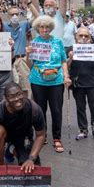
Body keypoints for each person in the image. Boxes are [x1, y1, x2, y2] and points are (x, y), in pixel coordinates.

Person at [25, 15, 71, 153]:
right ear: (37, 28)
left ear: (51, 28)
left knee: (56, 110)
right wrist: (28, 54)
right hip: (38, 80)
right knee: (40, 109)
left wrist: (66, 76)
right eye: (41, 27)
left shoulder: (58, 42)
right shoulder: (34, 43)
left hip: (56, 80)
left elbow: (63, 60)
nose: (44, 29)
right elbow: (29, 65)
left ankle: (57, 138)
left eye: (47, 27)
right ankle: (42, 135)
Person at [0, 83, 46, 173]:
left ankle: (11, 149)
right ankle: (0, 168)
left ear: (23, 93)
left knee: (33, 171)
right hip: (6, 136)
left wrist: (31, 159)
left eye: (19, 94)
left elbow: (40, 135)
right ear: (5, 99)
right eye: (12, 96)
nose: (17, 99)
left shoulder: (34, 109)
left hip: (24, 137)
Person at [0, 0, 39, 97]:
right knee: (11, 91)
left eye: (16, 14)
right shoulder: (3, 26)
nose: (14, 16)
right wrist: (0, 1)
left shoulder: (24, 25)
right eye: (12, 14)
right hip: (8, 61)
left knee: (25, 90)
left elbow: (38, 18)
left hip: (22, 60)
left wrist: (28, 2)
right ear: (8, 16)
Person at [68, 27, 94, 144]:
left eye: (86, 36)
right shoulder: (71, 49)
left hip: (93, 83)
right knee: (80, 108)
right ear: (76, 36)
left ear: (90, 37)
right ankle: (83, 130)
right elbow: (67, 66)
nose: (83, 38)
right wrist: (70, 58)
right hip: (78, 83)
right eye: (81, 35)